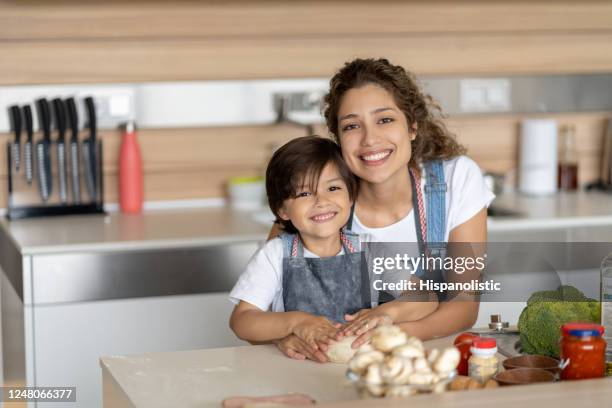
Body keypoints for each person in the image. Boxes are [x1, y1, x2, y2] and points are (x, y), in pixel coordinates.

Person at [275, 58, 495, 362]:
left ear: (413, 126)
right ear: (339, 140)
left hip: (429, 365)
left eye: (385, 120)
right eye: (352, 126)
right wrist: (287, 334)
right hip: (327, 366)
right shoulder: (321, 202)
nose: (370, 139)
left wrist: (385, 336)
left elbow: (464, 304)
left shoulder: (456, 180)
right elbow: (266, 304)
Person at [228, 136, 437, 358]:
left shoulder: (370, 252)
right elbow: (242, 321)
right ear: (282, 211)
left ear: (350, 197)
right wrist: (295, 323)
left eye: (333, 187)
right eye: (304, 193)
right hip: (295, 369)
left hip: (362, 366)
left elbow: (426, 297)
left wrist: (386, 313)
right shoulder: (275, 254)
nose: (321, 201)